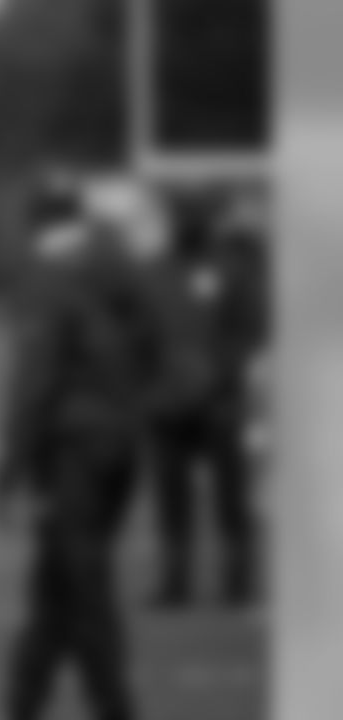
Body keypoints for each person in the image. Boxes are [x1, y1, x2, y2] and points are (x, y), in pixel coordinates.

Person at [0, 176, 180, 720]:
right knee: (57, 589)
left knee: (82, 593)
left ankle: (112, 707)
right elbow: (159, 345)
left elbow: (35, 378)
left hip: (72, 451)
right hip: (120, 448)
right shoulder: (121, 266)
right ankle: (23, 704)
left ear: (34, 222)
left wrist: (10, 466)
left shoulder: (46, 276)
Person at [146, 183, 267, 608]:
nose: (187, 223)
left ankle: (238, 577)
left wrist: (220, 370)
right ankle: (175, 579)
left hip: (220, 401)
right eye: (181, 216)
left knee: (231, 496)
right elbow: (138, 334)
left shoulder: (232, 268)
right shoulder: (154, 270)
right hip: (166, 403)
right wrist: (153, 381)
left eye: (194, 216)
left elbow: (254, 328)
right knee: (171, 498)